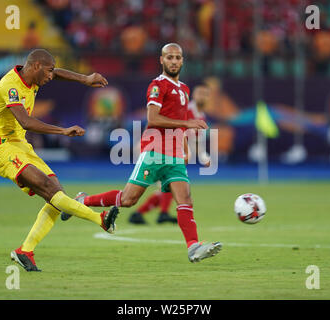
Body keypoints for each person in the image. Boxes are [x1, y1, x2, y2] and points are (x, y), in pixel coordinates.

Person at [61, 43, 222, 263]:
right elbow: (153, 119)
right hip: (155, 151)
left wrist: (184, 147)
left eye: (177, 57)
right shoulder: (157, 85)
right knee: (128, 200)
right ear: (162, 60)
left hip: (174, 155)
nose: (174, 61)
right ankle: (82, 200)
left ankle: (193, 247)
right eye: (169, 57)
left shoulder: (183, 89)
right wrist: (188, 122)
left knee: (185, 198)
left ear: (182, 61)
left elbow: (182, 127)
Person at [0, 49, 119, 272]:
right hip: (3, 148)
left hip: (20, 146)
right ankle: (101, 219)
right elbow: (26, 122)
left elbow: (57, 72)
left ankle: (25, 251)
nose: (50, 76)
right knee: (51, 191)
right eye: (48, 71)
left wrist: (85, 79)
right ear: (36, 66)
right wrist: (62, 131)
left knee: (56, 196)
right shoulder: (10, 86)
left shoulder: (34, 77)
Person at [128, 84, 212, 225]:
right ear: (194, 95)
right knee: (170, 183)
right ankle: (162, 213)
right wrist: (186, 152)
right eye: (200, 93)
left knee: (167, 185)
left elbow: (197, 141)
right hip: (155, 146)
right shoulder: (187, 110)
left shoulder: (201, 116)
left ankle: (140, 214)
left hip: (169, 149)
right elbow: (178, 131)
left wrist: (203, 156)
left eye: (205, 94)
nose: (202, 96)